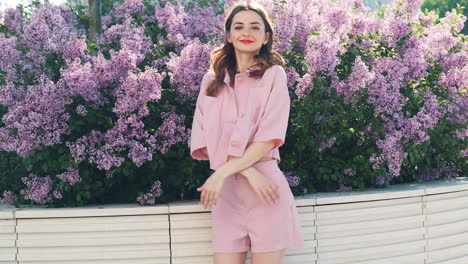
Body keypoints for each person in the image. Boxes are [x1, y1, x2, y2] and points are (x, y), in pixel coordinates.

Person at [189, 1, 305, 263]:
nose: (247, 32)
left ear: (266, 37)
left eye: (255, 27)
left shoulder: (274, 76)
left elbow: (268, 137)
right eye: (238, 26)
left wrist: (224, 172)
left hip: (267, 191)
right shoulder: (211, 82)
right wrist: (245, 172)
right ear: (229, 35)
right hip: (226, 193)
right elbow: (205, 141)